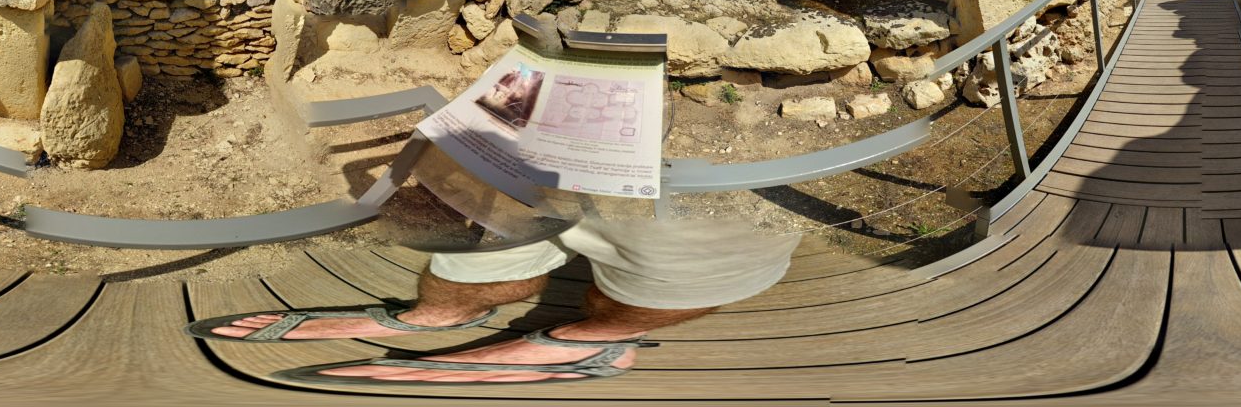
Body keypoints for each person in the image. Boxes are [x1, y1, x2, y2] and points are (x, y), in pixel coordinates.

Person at [187, 211, 799, 387]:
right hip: (568, 130)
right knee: (481, 245)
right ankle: (441, 314)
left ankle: (595, 341)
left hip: (728, 171)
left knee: (678, 263)